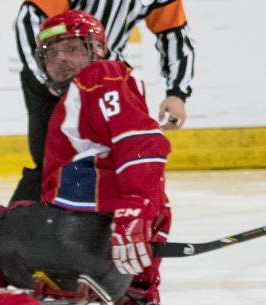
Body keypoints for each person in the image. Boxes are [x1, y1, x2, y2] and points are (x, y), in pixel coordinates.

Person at [0, 9, 172, 305]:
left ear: (97, 49)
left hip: (71, 239)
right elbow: (158, 199)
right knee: (26, 212)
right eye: (51, 52)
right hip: (109, 268)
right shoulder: (90, 96)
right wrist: (140, 285)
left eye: (72, 48)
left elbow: (142, 143)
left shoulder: (101, 76)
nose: (60, 58)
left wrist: (133, 206)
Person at [10, 0, 194, 204]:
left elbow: (173, 32)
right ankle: (26, 221)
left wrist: (177, 92)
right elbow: (29, 17)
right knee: (50, 162)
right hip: (55, 80)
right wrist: (51, 79)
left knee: (123, 151)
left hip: (106, 78)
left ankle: (122, 217)